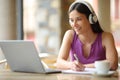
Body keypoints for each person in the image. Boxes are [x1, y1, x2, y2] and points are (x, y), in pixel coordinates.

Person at [56, 0, 118, 71]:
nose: (74, 24)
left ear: (91, 19)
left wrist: (84, 67)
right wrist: (71, 65)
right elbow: (59, 62)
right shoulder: (70, 35)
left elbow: (113, 64)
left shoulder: (106, 37)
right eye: (72, 20)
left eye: (79, 19)